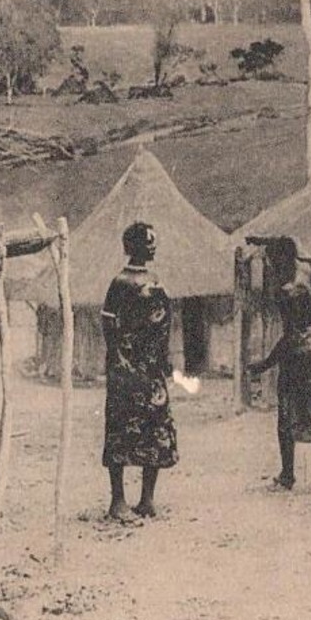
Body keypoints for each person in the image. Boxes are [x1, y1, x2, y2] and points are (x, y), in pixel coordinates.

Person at [100, 221, 177, 521]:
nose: (153, 246)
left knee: (156, 428)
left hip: (152, 369)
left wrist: (164, 359)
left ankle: (147, 499)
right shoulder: (120, 283)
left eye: (154, 241)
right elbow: (109, 324)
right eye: (148, 242)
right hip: (126, 368)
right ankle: (118, 502)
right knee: (121, 430)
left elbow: (163, 327)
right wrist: (120, 361)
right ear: (133, 247)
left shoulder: (155, 280)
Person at [249, 256, 311, 493]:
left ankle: (288, 475)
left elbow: (291, 336)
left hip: (304, 346)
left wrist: (266, 363)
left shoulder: (289, 291)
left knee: (287, 405)